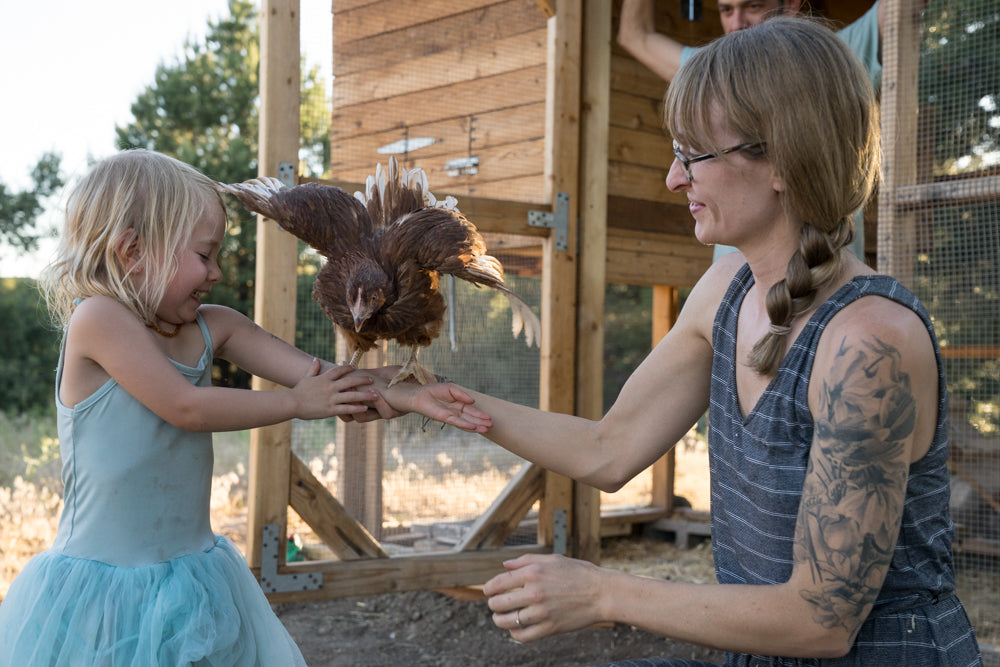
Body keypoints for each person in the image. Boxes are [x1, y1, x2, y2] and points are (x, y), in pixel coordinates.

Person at [378, 17, 983, 666]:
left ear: (782, 160)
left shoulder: (868, 343)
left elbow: (821, 621)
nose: (672, 178)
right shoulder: (726, 290)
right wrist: (436, 397)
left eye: (693, 155)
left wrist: (605, 592)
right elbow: (607, 449)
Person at [0, 149, 491, 666]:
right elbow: (186, 407)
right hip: (102, 592)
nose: (215, 272)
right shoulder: (98, 319)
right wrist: (297, 404)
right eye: (204, 254)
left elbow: (321, 378)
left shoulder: (215, 326)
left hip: (191, 576)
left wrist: (405, 393)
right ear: (133, 250)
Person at [617, 0, 883, 264]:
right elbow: (635, 36)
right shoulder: (711, 74)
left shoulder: (827, 62)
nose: (737, 24)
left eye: (753, 6)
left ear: (791, 5)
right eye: (726, 10)